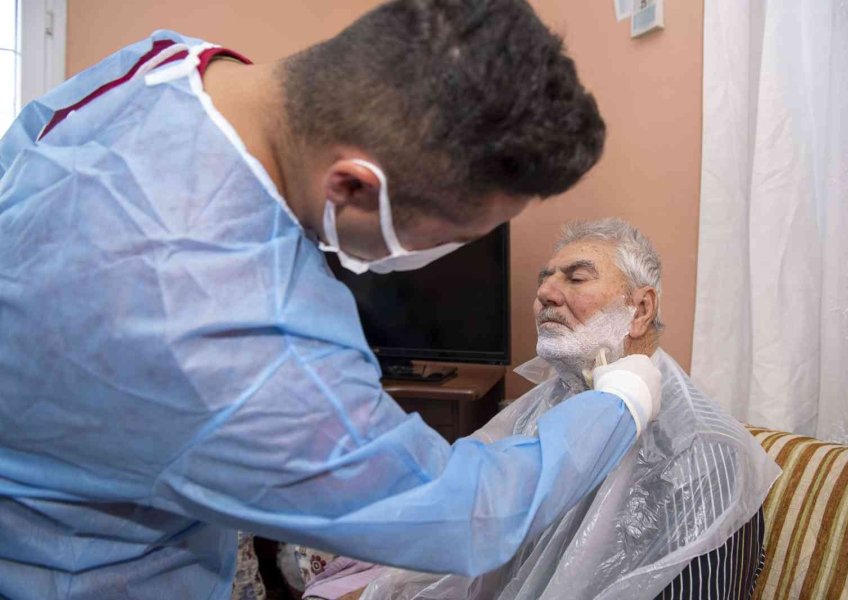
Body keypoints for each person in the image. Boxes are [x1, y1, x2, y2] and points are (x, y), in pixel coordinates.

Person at [0, 2, 664, 599]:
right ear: (352, 187)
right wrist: (621, 403)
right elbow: (463, 514)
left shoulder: (164, 67)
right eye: (455, 236)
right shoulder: (240, 339)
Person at [357, 218, 781, 599]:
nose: (544, 293)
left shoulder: (703, 451)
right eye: (544, 280)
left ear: (640, 309)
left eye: (576, 278)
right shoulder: (539, 407)